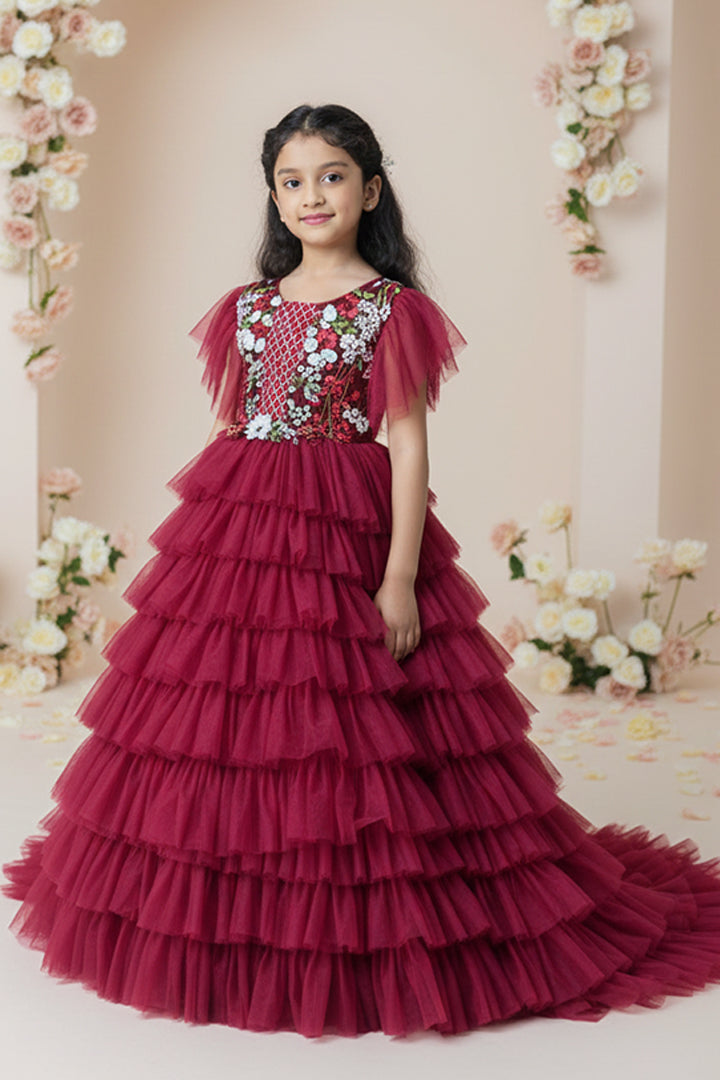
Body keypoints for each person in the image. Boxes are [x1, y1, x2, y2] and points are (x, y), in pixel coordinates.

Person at [3, 102, 720, 1039]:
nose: (312, 195)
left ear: (371, 189)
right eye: (292, 180)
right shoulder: (248, 308)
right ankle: (240, 910)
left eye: (332, 176)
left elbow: (409, 445)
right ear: (273, 195)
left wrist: (396, 575)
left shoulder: (392, 308)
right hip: (245, 521)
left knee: (351, 721)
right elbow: (229, 423)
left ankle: (363, 904)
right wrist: (202, 547)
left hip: (346, 516)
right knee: (231, 715)